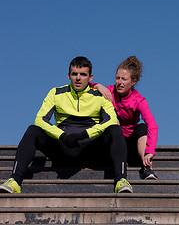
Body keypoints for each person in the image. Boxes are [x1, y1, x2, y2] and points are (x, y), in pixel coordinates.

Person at [0, 56, 133, 194]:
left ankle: (121, 180)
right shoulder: (56, 93)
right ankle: (14, 180)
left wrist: (84, 134)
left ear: (90, 77)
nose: (78, 78)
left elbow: (111, 120)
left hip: (90, 150)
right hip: (62, 148)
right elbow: (40, 120)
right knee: (33, 130)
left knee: (115, 129)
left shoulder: (100, 96)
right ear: (68, 75)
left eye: (83, 74)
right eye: (74, 74)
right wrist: (62, 136)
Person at [91, 56, 158, 180]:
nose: (119, 82)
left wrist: (150, 152)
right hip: (112, 143)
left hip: (131, 147)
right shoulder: (108, 91)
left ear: (133, 82)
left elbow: (152, 125)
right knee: (113, 121)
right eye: (118, 78)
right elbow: (83, 85)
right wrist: (97, 85)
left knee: (142, 127)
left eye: (124, 79)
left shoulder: (139, 100)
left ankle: (147, 168)